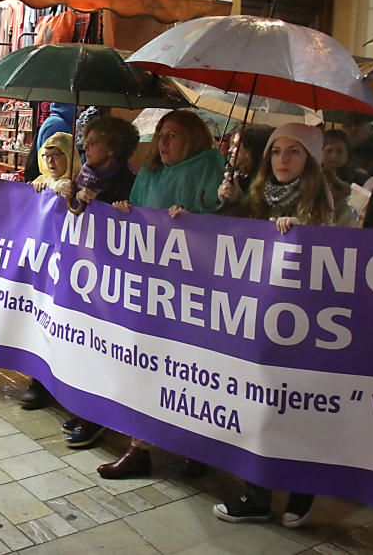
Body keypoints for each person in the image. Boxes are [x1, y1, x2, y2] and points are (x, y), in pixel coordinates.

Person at [212, 123, 338, 527]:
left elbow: (343, 260)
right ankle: (258, 494)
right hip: (260, 319)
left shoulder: (330, 204)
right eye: (277, 151)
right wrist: (228, 205)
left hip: (309, 324)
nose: (283, 160)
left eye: (294, 152)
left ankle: (302, 490)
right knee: (258, 404)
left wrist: (304, 235)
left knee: (299, 407)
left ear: (311, 159)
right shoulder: (254, 195)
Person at [99, 110, 224, 477]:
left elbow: (224, 219)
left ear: (193, 139)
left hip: (194, 287)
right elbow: (138, 210)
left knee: (188, 369)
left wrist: (199, 217)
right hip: (150, 286)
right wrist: (126, 211)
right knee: (144, 363)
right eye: (161, 135)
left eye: (174, 135)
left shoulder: (210, 166)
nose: (164, 142)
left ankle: (197, 449)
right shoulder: (150, 171)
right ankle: (138, 447)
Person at [28, 119, 140, 446]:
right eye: (86, 141)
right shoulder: (84, 176)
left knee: (102, 344)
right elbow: (72, 209)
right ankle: (81, 405)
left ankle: (95, 417)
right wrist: (66, 192)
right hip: (82, 272)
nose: (86, 147)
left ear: (112, 149)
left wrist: (114, 209)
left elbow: (134, 221)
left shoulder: (126, 180)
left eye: (93, 142)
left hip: (110, 277)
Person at [21, 132, 80, 409]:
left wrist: (74, 198)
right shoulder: (42, 183)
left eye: (58, 154)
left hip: (70, 268)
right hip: (43, 265)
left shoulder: (81, 184)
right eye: (47, 155)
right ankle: (39, 380)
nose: (51, 161)